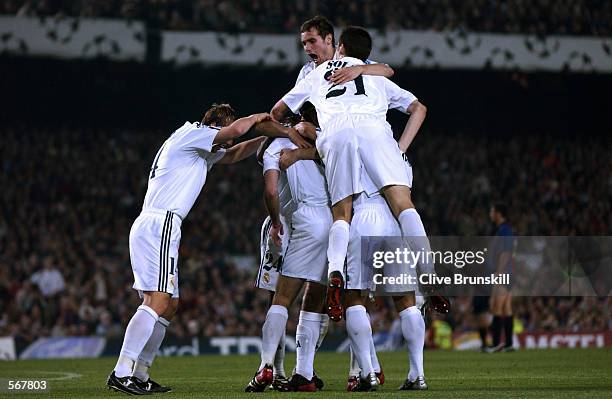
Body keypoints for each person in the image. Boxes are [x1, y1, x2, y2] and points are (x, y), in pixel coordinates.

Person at [106, 104, 295, 395]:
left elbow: (232, 154)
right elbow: (234, 132)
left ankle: (141, 373)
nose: (229, 141)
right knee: (157, 300)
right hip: (162, 222)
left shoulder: (197, 146)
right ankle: (122, 371)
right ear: (215, 124)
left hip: (159, 223)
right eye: (226, 130)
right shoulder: (193, 132)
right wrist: (259, 118)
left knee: (169, 305)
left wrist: (264, 139)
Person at [270, 26, 431, 323]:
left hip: (337, 142)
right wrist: (399, 150)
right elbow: (411, 99)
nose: (307, 47)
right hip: (377, 144)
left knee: (342, 222)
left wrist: (292, 134)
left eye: (311, 41)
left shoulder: (316, 74)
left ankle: (335, 272)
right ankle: (429, 271)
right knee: (403, 207)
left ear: (336, 44)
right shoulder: (373, 74)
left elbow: (278, 111)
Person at [245, 110, 331, 392]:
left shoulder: (275, 147)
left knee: (280, 298)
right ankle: (304, 371)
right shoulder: (324, 143)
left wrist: (275, 221)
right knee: (316, 298)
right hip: (333, 221)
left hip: (297, 222)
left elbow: (270, 192)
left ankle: (267, 367)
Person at [487, 202, 515, 352]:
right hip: (508, 272)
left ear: (498, 213)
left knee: (496, 307)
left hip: (503, 273)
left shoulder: (504, 230)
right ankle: (509, 344)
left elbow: (506, 252)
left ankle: (496, 343)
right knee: (506, 308)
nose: (490, 214)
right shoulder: (502, 230)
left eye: (492, 211)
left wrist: (499, 272)